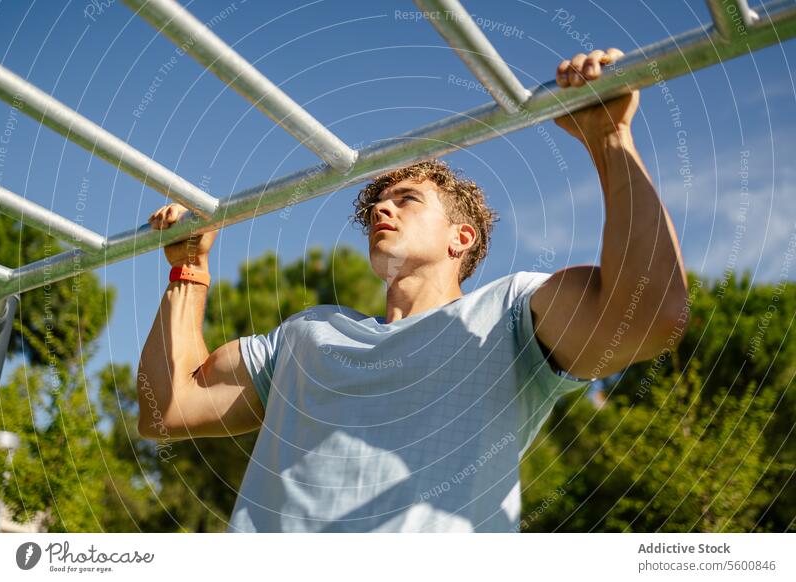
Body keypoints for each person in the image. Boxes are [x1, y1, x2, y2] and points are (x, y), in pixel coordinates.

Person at [138, 48, 689, 532]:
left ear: (461, 237)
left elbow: (652, 315)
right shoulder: (308, 334)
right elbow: (166, 408)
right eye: (380, 202)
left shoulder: (508, 313)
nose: (382, 207)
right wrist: (188, 269)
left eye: (407, 199)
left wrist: (609, 139)